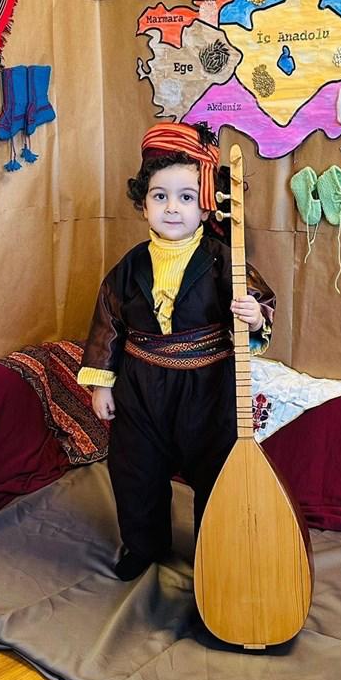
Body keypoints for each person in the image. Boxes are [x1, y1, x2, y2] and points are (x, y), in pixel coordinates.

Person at [78, 124, 275, 580]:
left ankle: (215, 550)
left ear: (206, 206)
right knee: (135, 470)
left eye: (186, 197)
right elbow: (108, 323)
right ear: (143, 204)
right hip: (142, 386)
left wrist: (253, 316)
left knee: (217, 472)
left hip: (208, 387)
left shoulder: (224, 259)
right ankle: (143, 543)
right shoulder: (128, 268)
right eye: (160, 196)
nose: (172, 207)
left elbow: (261, 301)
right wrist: (102, 385)